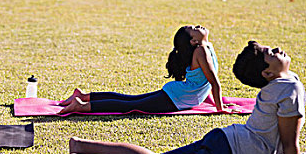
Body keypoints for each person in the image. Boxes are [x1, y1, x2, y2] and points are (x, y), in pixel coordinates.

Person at [68, 41, 306, 154]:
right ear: (267, 74)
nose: (277, 49)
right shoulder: (290, 87)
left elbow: (276, 132)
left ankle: (83, 146)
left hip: (226, 140)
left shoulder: (285, 83)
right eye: (270, 53)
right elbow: (289, 142)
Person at [59, 25, 233, 114]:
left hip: (179, 94)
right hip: (177, 98)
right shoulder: (201, 51)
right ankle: (82, 105)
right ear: (193, 41)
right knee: (130, 106)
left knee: (130, 100)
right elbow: (214, 83)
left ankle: (83, 96)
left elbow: (204, 84)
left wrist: (219, 104)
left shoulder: (205, 46)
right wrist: (220, 108)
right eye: (194, 29)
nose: (198, 26)